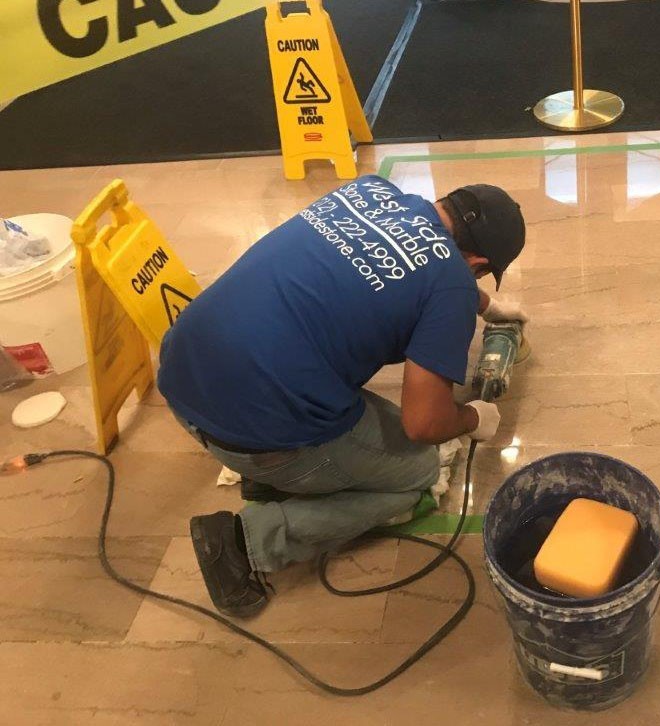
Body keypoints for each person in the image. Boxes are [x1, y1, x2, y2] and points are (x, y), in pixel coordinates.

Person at [157, 175, 528, 618]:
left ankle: (273, 477)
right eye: (479, 277)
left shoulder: (371, 192)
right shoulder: (452, 284)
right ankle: (246, 541)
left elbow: (413, 259)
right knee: (417, 473)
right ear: (479, 263)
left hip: (183, 378)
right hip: (255, 432)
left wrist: (483, 306)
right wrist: (474, 417)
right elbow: (424, 423)